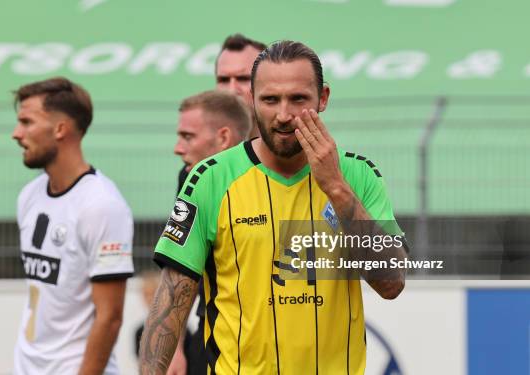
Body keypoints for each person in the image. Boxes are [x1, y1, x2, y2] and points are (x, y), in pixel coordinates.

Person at [140, 41, 408, 374]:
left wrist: (336, 188)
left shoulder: (358, 175)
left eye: (298, 99)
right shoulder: (210, 178)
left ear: (322, 98)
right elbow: (171, 300)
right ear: (251, 99)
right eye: (270, 99)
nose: (283, 115)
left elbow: (392, 283)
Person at [11, 77, 134, 375]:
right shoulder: (29, 195)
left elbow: (110, 317)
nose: (16, 134)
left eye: (27, 122)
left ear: (60, 129)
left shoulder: (102, 205)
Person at [169, 89, 252, 375]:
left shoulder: (277, 177)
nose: (178, 148)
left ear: (224, 137)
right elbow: (181, 270)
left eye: (188, 137)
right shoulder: (190, 180)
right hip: (214, 334)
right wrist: (174, 349)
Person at [177, 34, 266, 193]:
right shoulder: (195, 172)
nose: (232, 90)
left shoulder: (295, 163)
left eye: (243, 78)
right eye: (224, 80)